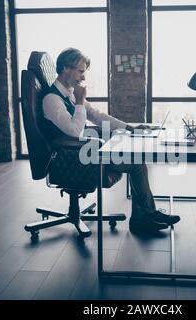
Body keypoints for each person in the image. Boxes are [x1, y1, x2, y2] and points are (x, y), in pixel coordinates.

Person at [41, 47, 180, 235]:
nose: (83, 77)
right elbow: (74, 131)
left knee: (136, 162)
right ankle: (145, 217)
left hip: (79, 153)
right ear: (66, 68)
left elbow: (97, 116)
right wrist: (81, 102)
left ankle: (146, 216)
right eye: (80, 71)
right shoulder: (52, 99)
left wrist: (129, 128)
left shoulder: (70, 94)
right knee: (136, 163)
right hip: (69, 159)